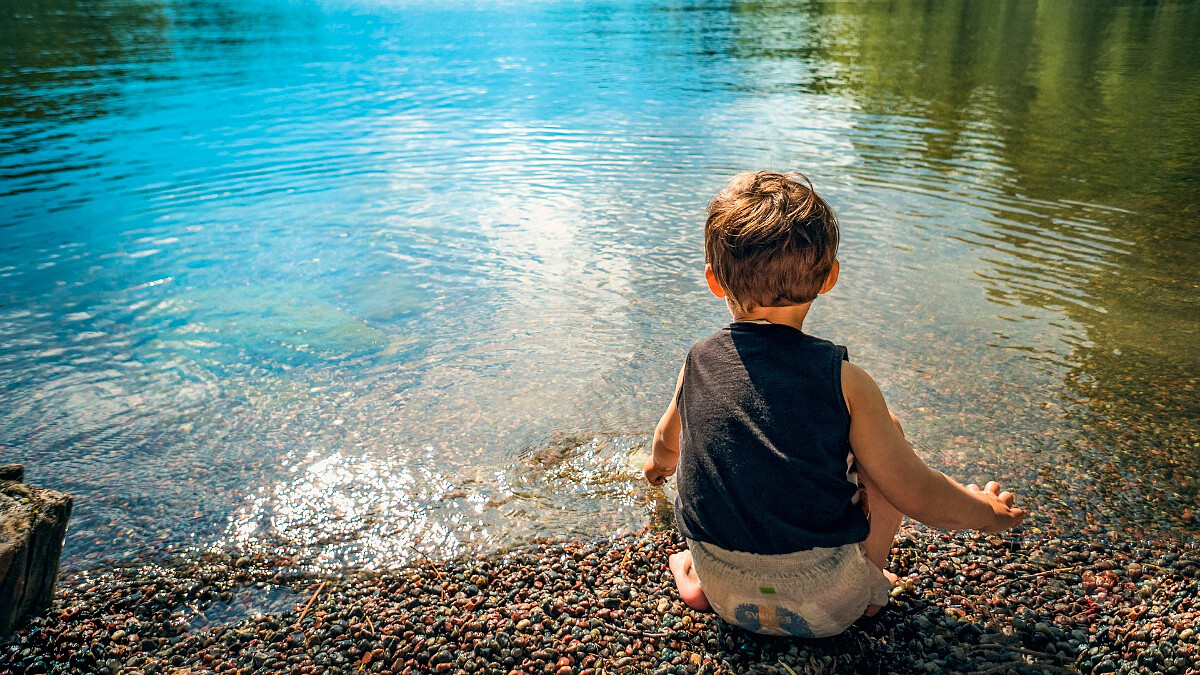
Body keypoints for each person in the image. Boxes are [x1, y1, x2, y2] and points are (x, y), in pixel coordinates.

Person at [643, 171, 1026, 638]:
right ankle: (871, 584)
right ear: (829, 278)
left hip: (725, 593)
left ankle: (695, 577)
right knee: (886, 434)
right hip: (827, 604)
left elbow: (667, 443)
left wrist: (657, 468)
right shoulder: (845, 382)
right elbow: (919, 495)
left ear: (714, 282)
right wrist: (989, 512)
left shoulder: (697, 363)